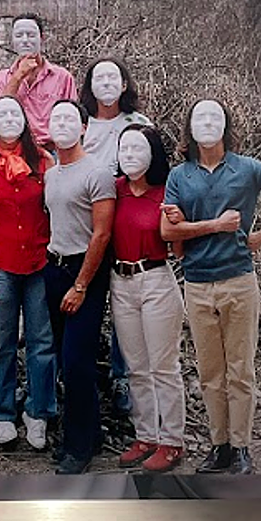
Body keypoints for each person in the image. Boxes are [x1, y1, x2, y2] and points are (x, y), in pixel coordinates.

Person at [161, 98, 261, 475]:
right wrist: (211, 226)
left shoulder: (247, 168)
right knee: (210, 372)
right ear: (190, 127)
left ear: (226, 126)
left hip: (239, 281)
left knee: (240, 370)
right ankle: (220, 447)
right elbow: (167, 232)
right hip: (197, 283)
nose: (208, 123)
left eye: (215, 117)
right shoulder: (179, 175)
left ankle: (241, 448)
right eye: (200, 117)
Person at [0, 95, 57, 451]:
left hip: (38, 262)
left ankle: (38, 412)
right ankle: (3, 414)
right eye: (1, 113)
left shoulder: (44, 161)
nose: (8, 119)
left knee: (41, 342)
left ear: (25, 119)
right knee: (1, 343)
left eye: (14, 113)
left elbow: (55, 209)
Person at [44, 99, 116, 474]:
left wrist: (82, 284)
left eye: (70, 118)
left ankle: (78, 449)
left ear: (84, 127)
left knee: (76, 361)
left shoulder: (97, 172)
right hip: (54, 268)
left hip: (84, 271)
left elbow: (101, 234)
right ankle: (90, 434)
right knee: (65, 358)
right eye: (56, 119)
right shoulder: (52, 173)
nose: (62, 125)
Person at [110, 124, 186, 473]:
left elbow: (179, 250)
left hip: (155, 279)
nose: (129, 155)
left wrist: (179, 224)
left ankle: (172, 441)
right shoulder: (114, 190)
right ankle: (146, 436)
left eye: (137, 148)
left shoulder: (166, 191)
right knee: (136, 367)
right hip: (120, 282)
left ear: (152, 154)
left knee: (163, 366)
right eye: (124, 148)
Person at [80, 56, 150, 415]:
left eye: (113, 78)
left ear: (124, 84)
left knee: (127, 304)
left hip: (127, 224)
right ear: (89, 86)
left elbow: (154, 174)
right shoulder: (81, 125)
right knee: (88, 301)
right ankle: (84, 376)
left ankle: (124, 377)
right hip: (86, 227)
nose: (106, 85)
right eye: (99, 78)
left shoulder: (139, 124)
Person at [0, 14, 77, 149]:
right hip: (15, 151)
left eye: (31, 35)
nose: (25, 40)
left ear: (42, 38)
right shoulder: (1, 78)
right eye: (19, 35)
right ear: (12, 40)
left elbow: (73, 118)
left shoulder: (62, 77)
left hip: (53, 150)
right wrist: (18, 76)